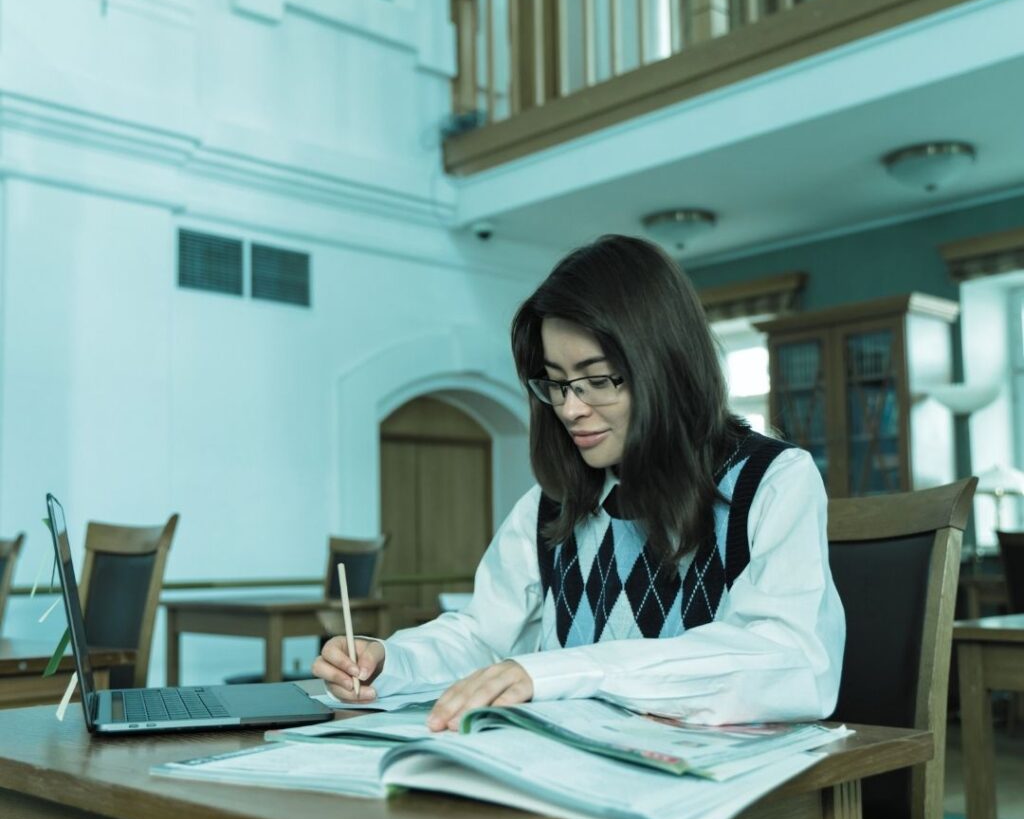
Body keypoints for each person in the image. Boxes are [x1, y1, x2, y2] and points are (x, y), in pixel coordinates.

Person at [313, 234, 845, 736]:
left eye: (597, 380)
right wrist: (389, 660)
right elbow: (484, 638)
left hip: (720, 802)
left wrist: (564, 672)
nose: (570, 408)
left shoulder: (772, 481)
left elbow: (790, 660)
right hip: (575, 785)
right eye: (558, 383)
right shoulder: (550, 507)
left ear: (666, 365)